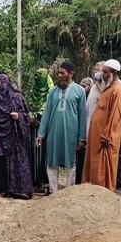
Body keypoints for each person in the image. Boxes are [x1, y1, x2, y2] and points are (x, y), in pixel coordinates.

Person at [36, 62, 87, 194]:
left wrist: (82, 138)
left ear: (71, 74)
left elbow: (83, 115)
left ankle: (68, 193)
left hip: (71, 134)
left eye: (62, 73)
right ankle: (54, 192)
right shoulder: (53, 91)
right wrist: (41, 134)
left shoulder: (79, 91)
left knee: (71, 162)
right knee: (52, 162)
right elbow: (46, 112)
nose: (59, 75)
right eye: (58, 73)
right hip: (53, 133)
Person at [86, 61, 121, 190]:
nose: (103, 74)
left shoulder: (117, 90)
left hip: (105, 135)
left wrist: (107, 134)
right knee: (95, 162)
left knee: (102, 165)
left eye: (106, 72)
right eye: (103, 71)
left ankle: (103, 190)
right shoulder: (108, 87)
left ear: (115, 73)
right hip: (97, 132)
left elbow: (115, 116)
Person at [29, 68, 54, 194]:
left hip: (46, 126)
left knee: (44, 153)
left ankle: (46, 182)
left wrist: (39, 115)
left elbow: (50, 106)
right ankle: (35, 181)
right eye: (36, 76)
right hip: (33, 126)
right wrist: (31, 113)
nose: (38, 79)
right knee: (34, 153)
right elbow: (30, 103)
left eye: (40, 76)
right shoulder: (33, 90)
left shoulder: (52, 91)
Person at [75, 77, 94, 184]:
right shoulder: (79, 97)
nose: (82, 88)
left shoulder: (93, 98)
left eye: (85, 86)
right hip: (81, 131)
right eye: (81, 86)